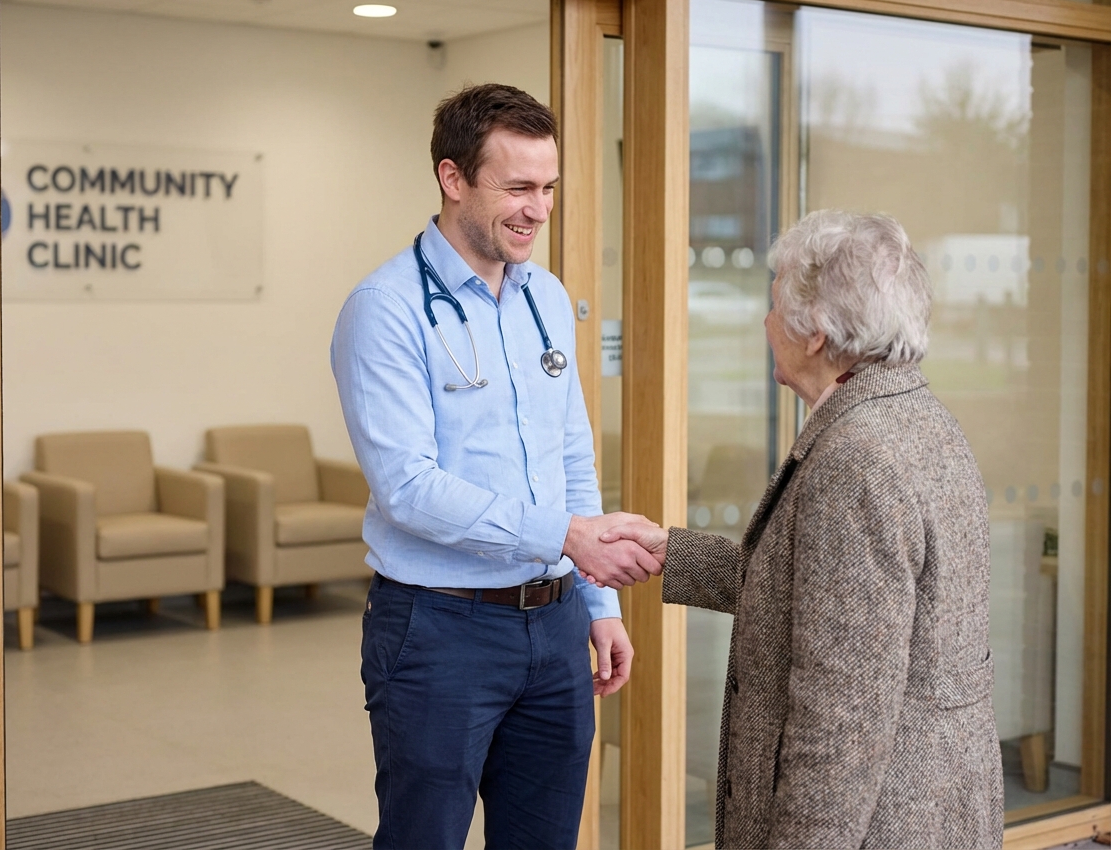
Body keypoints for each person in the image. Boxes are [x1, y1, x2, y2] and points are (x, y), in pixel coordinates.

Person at [600, 210, 1003, 849]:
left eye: (773, 305)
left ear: (814, 332)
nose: (765, 323)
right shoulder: (917, 418)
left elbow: (842, 717)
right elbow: (819, 590)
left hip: (881, 824)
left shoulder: (857, 458)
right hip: (934, 809)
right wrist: (672, 552)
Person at [331, 83, 659, 850]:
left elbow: (571, 456)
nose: (537, 210)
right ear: (452, 178)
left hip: (556, 625)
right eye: (517, 188)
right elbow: (407, 488)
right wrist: (567, 535)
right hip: (439, 630)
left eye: (548, 188)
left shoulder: (547, 297)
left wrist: (599, 604)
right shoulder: (386, 307)